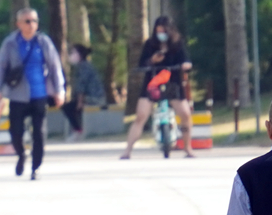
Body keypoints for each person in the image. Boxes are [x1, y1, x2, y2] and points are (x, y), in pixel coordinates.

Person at [0, 8, 65, 180]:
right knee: (15, 132)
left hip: (39, 94)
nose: (32, 25)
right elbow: (0, 66)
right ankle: (21, 155)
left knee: (39, 133)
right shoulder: (10, 43)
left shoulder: (43, 42)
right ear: (18, 24)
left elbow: (55, 66)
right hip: (17, 95)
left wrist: (59, 90)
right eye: (27, 21)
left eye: (34, 21)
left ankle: (35, 167)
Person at [120, 16, 194, 159]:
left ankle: (187, 148)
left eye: (163, 31)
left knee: (185, 114)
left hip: (173, 83)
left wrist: (185, 66)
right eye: (158, 30)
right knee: (141, 116)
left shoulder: (178, 44)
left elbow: (186, 61)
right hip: (152, 83)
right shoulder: (150, 44)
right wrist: (152, 60)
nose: (160, 34)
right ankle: (127, 151)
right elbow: (142, 63)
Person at [62, 43, 106, 142]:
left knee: (67, 108)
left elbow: (81, 87)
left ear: (79, 54)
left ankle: (78, 131)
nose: (71, 55)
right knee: (71, 107)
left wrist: (80, 102)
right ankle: (77, 130)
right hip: (92, 96)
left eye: (73, 52)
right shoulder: (83, 66)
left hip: (94, 98)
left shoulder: (83, 67)